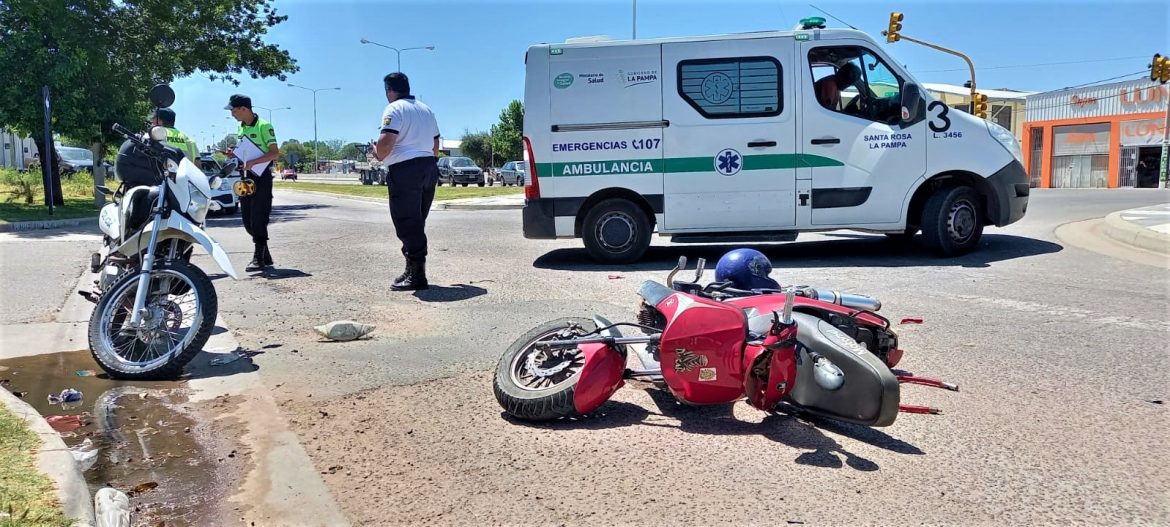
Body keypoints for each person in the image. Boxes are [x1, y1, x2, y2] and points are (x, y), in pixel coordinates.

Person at [370, 72, 441, 291]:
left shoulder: (394, 109)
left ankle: (418, 275)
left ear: (389, 91)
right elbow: (436, 143)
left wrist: (376, 151)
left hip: (406, 170)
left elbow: (385, 145)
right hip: (429, 166)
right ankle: (412, 268)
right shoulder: (426, 109)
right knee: (417, 221)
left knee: (407, 222)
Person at [225, 94, 280, 272]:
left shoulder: (264, 126)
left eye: (234, 110)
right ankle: (265, 252)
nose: (232, 114)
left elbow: (274, 153)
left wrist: (254, 163)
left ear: (244, 109)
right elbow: (245, 152)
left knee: (258, 217)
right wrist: (233, 154)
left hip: (261, 176)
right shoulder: (241, 128)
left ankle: (258, 257)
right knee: (247, 220)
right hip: (245, 177)